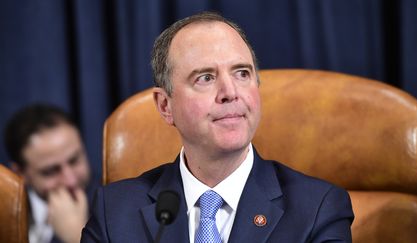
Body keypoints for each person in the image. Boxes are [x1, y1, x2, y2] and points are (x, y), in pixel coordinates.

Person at [81, 12, 354, 242]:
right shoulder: (114, 212)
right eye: (206, 77)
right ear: (165, 106)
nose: (230, 92)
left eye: (242, 73)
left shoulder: (318, 209)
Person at [4, 104, 98, 243]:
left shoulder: (113, 203)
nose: (70, 180)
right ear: (20, 173)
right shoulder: (6, 214)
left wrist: (77, 236)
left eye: (74, 161)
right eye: (50, 171)